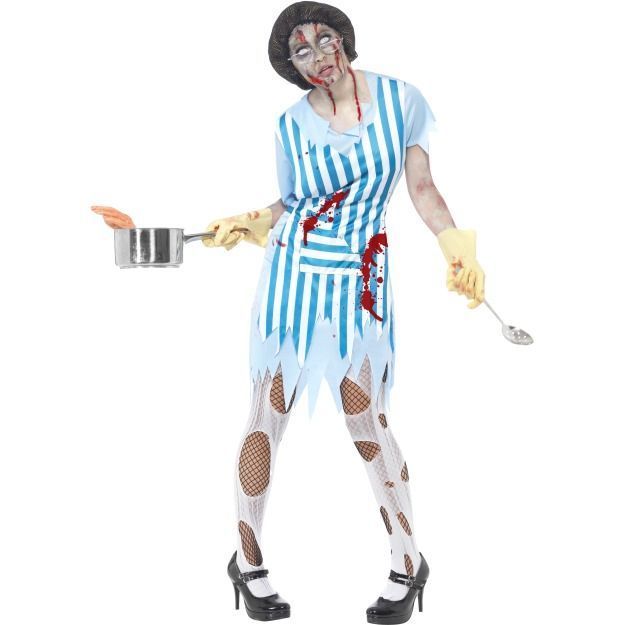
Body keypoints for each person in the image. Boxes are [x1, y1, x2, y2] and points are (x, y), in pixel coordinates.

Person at [92, 2, 485, 622]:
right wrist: (249, 221)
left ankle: (408, 560)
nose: (318, 54)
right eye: (301, 50)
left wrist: (456, 248)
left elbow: (422, 188)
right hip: (290, 282)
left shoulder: (401, 99)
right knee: (265, 414)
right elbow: (293, 203)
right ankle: (247, 561)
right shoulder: (290, 125)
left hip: (361, 280)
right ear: (293, 67)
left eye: (324, 38)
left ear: (343, 39)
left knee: (367, 419)